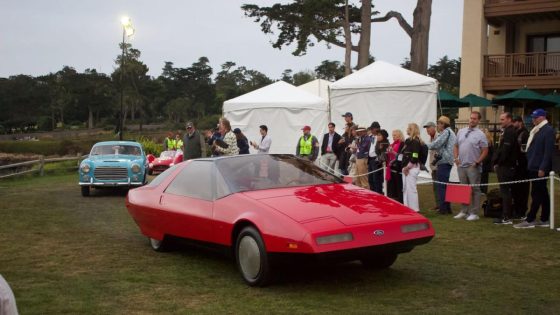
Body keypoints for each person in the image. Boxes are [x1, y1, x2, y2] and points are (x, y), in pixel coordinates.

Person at [514, 109, 555, 229]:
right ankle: (544, 218)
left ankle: (530, 218)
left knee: (537, 193)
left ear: (542, 117)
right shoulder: (537, 130)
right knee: (542, 193)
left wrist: (542, 168)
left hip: (539, 168)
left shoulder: (548, 130)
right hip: (533, 166)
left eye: (535, 117)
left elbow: (548, 152)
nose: (533, 120)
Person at [452, 111, 488, 221]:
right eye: (471, 118)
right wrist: (456, 158)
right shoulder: (461, 131)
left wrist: (477, 162)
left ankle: (474, 213)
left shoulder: (481, 134)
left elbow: (485, 150)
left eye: (475, 119)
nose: (472, 120)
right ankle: (464, 211)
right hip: (461, 165)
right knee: (463, 190)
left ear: (478, 121)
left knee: (475, 189)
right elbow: (456, 146)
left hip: (473, 166)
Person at [492, 112, 519, 225]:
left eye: (502, 119)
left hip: (506, 166)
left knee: (505, 191)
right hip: (506, 165)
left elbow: (505, 151)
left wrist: (498, 163)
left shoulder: (510, 132)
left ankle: (506, 216)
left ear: (509, 119)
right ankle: (506, 214)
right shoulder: (508, 131)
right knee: (505, 191)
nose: (501, 121)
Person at [427, 116, 456, 215]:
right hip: (447, 161)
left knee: (441, 186)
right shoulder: (450, 132)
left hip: (444, 161)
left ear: (443, 124)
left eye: (438, 123)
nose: (437, 126)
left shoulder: (446, 132)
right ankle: (447, 208)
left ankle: (443, 209)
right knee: (445, 186)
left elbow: (436, 144)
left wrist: (423, 145)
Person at [401, 123, 422, 212]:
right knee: (406, 189)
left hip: (412, 168)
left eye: (408, 128)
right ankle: (407, 207)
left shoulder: (415, 142)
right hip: (406, 168)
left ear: (412, 130)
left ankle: (415, 209)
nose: (406, 130)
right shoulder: (408, 141)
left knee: (412, 189)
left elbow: (415, 156)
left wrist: (408, 167)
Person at [512, 115, 529, 220]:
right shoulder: (516, 133)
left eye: (514, 122)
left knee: (522, 190)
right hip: (516, 166)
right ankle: (516, 209)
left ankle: (522, 211)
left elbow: (524, 151)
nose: (513, 125)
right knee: (515, 190)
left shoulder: (524, 134)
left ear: (519, 122)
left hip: (523, 167)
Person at [423, 121, 440, 210]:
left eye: (429, 128)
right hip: (433, 167)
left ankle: (441, 205)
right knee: (435, 187)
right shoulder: (431, 138)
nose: (427, 130)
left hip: (438, 166)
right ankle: (438, 205)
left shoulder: (438, 137)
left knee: (439, 186)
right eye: (426, 128)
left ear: (434, 127)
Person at [387, 129, 404, 203]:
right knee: (392, 185)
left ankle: (400, 200)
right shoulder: (392, 144)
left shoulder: (402, 144)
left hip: (398, 167)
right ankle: (393, 199)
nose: (393, 137)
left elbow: (400, 155)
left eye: (395, 135)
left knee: (399, 185)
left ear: (399, 135)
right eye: (392, 135)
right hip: (391, 166)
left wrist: (392, 152)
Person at [367, 121, 382, 192]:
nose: (371, 130)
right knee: (370, 178)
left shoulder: (381, 137)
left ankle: (378, 192)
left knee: (376, 178)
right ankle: (372, 192)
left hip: (376, 159)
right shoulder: (371, 137)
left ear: (376, 129)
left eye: (372, 129)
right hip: (370, 159)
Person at [374, 129, 390, 194]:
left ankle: (384, 193)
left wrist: (381, 149)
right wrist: (379, 149)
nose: (377, 136)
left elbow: (386, 155)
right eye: (377, 135)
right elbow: (377, 152)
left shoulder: (386, 143)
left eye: (379, 135)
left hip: (384, 164)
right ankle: (378, 193)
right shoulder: (378, 143)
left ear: (383, 136)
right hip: (378, 164)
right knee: (376, 180)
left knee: (384, 181)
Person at [480, 129, 494, 194]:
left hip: (485, 162)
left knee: (484, 177)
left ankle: (483, 190)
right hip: (487, 162)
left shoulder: (487, 143)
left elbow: (487, 154)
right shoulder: (490, 142)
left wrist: (482, 160)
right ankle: (483, 190)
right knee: (484, 177)